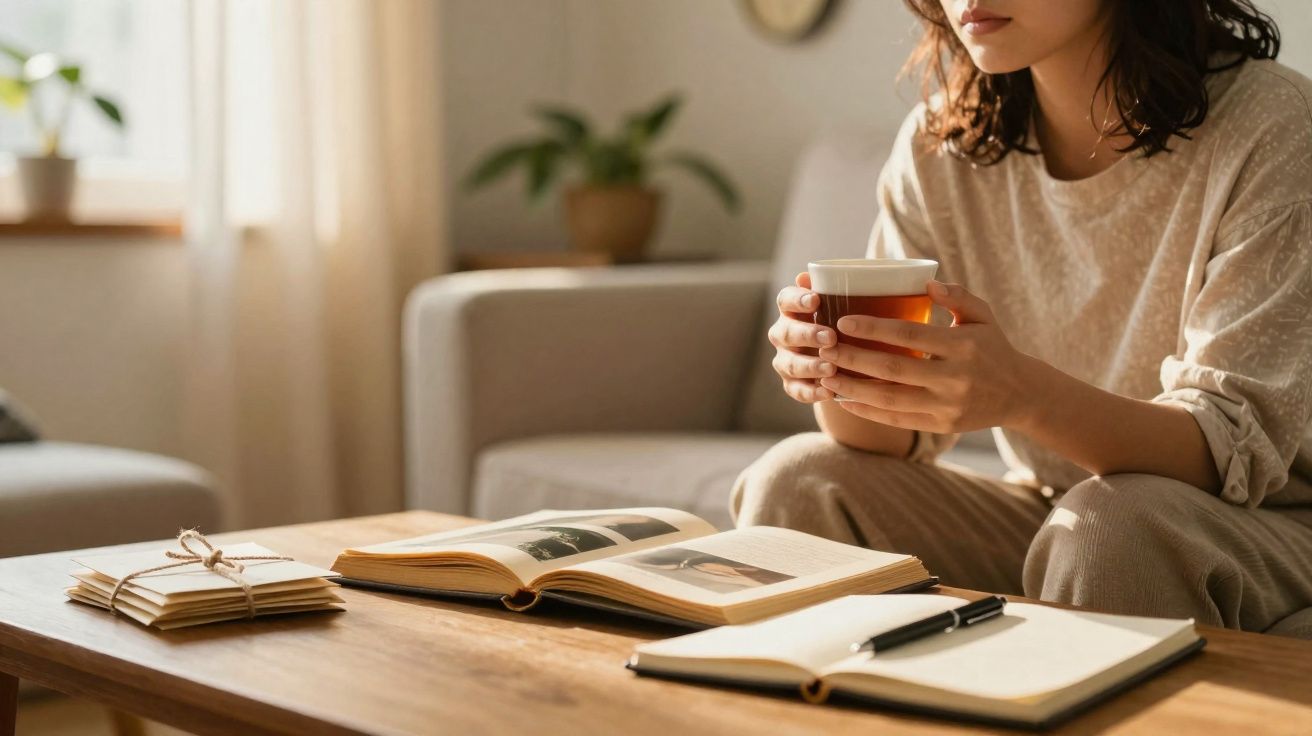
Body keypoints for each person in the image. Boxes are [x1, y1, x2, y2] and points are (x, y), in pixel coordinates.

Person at [735, 0, 1312, 636]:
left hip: (1266, 519)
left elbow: (1227, 452)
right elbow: (890, 439)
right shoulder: (940, 145)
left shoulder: (1273, 124)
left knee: (1109, 527)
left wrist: (1022, 396)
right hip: (1059, 510)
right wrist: (833, 367)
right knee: (797, 478)